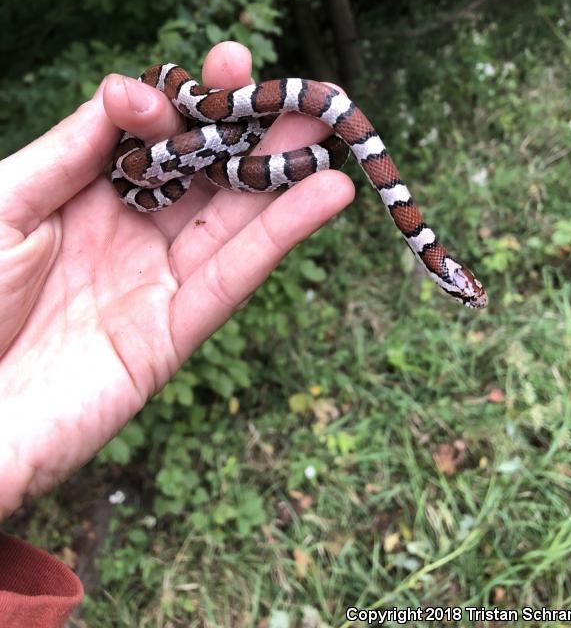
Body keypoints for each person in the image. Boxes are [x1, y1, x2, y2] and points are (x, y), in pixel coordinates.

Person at [0, 41, 355, 626]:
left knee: (263, 135)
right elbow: (142, 165)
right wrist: (160, 169)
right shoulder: (154, 156)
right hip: (176, 157)